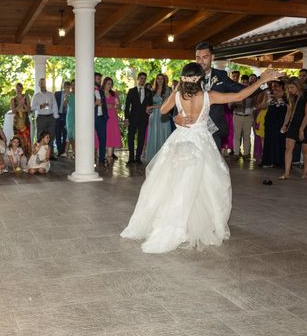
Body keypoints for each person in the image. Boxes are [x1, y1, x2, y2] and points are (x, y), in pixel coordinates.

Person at [121, 63, 282, 254]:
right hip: (201, 144)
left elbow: (163, 110)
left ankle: (174, 224)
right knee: (202, 186)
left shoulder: (178, 94)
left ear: (183, 78)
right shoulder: (208, 96)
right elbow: (239, 96)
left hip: (179, 141)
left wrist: (176, 113)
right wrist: (263, 80)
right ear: (201, 78)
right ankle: (189, 225)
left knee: (172, 185)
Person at [194, 42, 244, 150]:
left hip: (214, 129)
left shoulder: (221, 76)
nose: (201, 61)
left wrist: (262, 84)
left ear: (212, 57)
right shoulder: (189, 76)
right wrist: (176, 117)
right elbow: (178, 103)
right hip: (194, 131)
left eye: (205, 57)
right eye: (198, 58)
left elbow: (241, 90)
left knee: (213, 165)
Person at [280, 77, 307, 180]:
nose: (290, 90)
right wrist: (285, 124)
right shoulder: (290, 96)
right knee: (288, 147)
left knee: (305, 150)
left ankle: (305, 173)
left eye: (292, 87)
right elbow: (289, 112)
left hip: (306, 124)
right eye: (288, 88)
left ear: (298, 86)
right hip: (293, 124)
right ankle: (287, 173)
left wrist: (301, 129)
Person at [124, 72, 153, 165]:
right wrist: (127, 118)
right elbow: (127, 105)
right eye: (141, 78)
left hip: (144, 119)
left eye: (144, 78)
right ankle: (131, 158)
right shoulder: (131, 91)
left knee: (141, 138)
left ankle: (138, 158)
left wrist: (149, 111)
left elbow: (150, 105)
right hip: (132, 119)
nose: (143, 80)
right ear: (138, 79)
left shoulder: (149, 92)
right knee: (130, 137)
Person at [144, 73, 173, 162]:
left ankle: (163, 158)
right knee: (154, 135)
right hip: (153, 116)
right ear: (156, 80)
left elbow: (165, 104)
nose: (160, 80)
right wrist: (148, 109)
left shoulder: (168, 90)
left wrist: (152, 107)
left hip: (163, 115)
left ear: (164, 80)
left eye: (161, 79)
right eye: (158, 78)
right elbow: (149, 104)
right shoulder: (153, 90)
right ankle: (153, 157)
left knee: (163, 135)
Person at [261, 80, 287, 168]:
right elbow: (265, 106)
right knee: (268, 140)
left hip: (280, 122)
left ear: (282, 87)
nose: (274, 88)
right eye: (273, 86)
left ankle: (278, 161)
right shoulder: (271, 97)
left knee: (279, 141)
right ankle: (268, 161)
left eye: (276, 86)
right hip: (270, 122)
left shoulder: (286, 97)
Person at [31, 78, 58, 159]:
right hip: (41, 118)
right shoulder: (36, 96)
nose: (43, 84)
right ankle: (39, 153)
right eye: (41, 83)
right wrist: (40, 106)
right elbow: (32, 107)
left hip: (50, 117)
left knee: (51, 136)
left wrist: (55, 116)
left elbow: (55, 105)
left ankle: (51, 154)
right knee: (40, 135)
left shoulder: (51, 94)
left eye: (44, 83)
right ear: (39, 85)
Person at [231, 74, 254, 159]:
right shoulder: (236, 93)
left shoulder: (252, 93)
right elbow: (230, 106)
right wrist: (235, 103)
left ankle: (246, 154)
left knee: (247, 136)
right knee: (236, 135)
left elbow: (255, 104)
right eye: (243, 82)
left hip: (248, 116)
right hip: (237, 115)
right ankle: (236, 153)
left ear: (248, 83)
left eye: (246, 82)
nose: (244, 84)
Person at [101, 77, 122, 165]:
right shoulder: (100, 93)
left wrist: (113, 106)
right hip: (102, 117)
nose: (110, 85)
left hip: (112, 117)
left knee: (111, 136)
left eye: (111, 84)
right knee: (102, 135)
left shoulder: (114, 94)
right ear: (104, 83)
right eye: (108, 83)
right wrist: (105, 106)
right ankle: (101, 157)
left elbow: (118, 106)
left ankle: (109, 157)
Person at [10, 83, 31, 156]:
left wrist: (23, 103)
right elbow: (13, 111)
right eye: (17, 88)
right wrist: (20, 104)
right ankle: (18, 157)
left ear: (22, 89)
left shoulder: (26, 98)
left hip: (25, 122)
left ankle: (27, 157)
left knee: (27, 140)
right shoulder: (13, 99)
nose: (18, 89)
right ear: (15, 89)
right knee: (17, 140)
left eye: (20, 88)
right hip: (17, 123)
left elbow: (29, 110)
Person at [94, 73, 109, 166]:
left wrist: (106, 117)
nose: (100, 81)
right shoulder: (87, 91)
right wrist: (95, 103)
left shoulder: (101, 91)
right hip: (92, 118)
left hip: (101, 118)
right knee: (89, 139)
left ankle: (102, 160)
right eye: (98, 79)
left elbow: (104, 105)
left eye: (100, 79)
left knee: (103, 139)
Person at [54, 81, 71, 157]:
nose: (67, 88)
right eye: (66, 87)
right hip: (58, 115)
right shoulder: (57, 94)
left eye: (68, 87)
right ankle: (59, 150)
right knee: (57, 133)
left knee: (65, 133)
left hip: (66, 115)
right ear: (63, 87)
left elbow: (67, 106)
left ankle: (63, 150)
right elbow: (53, 105)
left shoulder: (71, 95)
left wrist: (67, 97)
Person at [65, 79, 76, 157]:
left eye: (75, 84)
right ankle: (75, 150)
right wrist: (66, 95)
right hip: (70, 116)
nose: (74, 86)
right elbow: (64, 105)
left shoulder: (81, 94)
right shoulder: (69, 94)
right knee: (70, 135)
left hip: (78, 116)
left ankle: (76, 151)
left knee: (76, 134)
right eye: (72, 84)